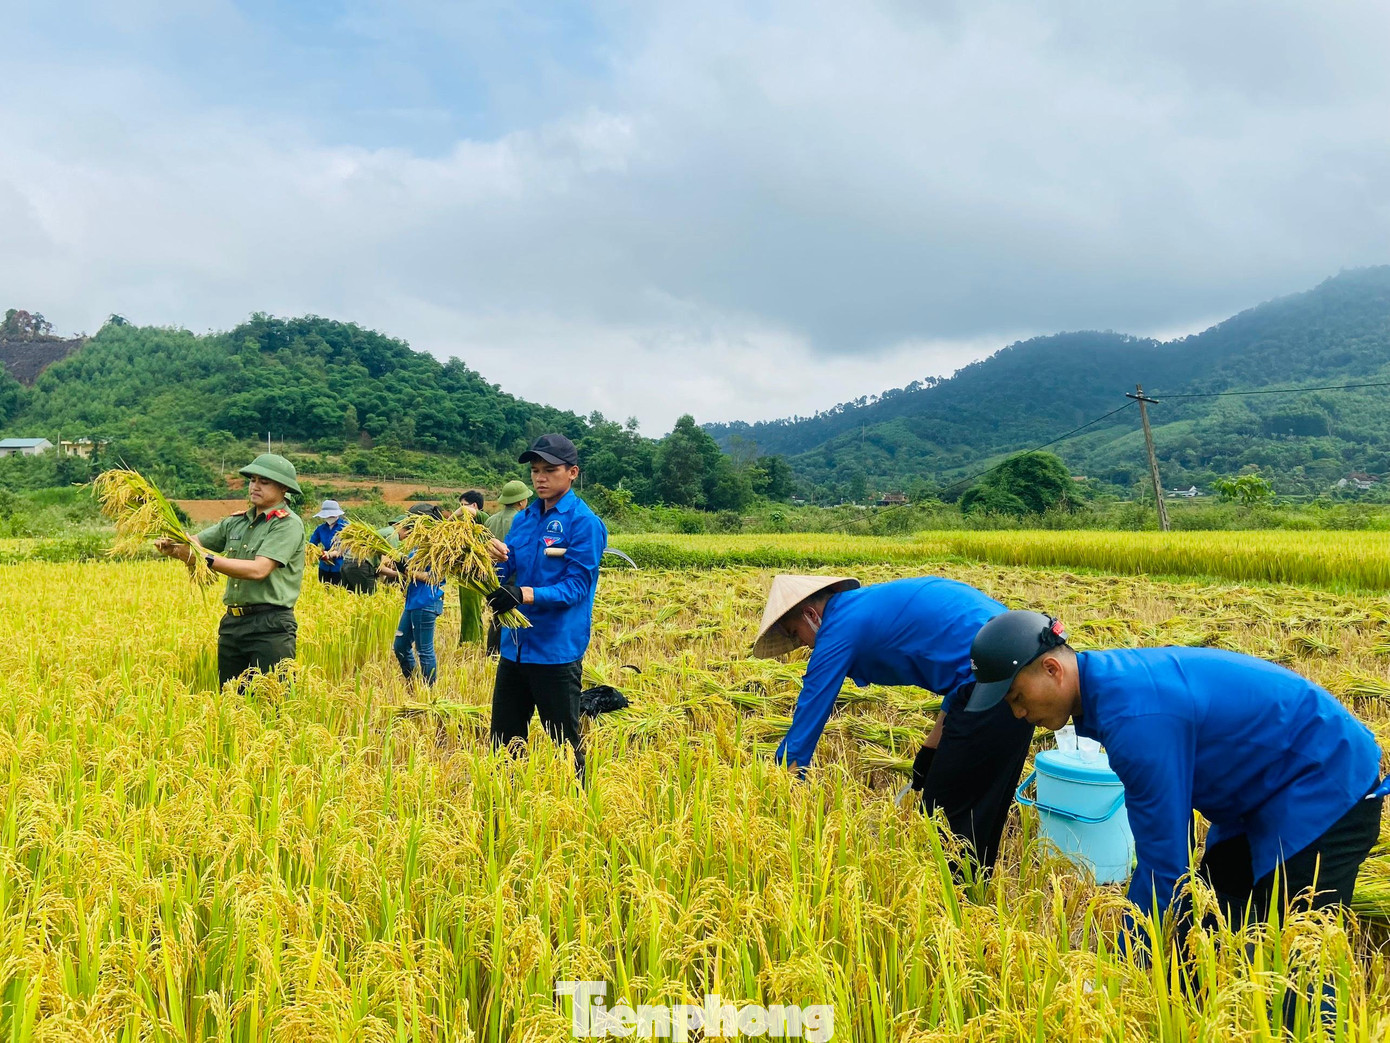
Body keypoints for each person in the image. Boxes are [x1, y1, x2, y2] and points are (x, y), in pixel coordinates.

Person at [969, 610, 1388, 946]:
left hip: (1326, 782)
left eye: (1018, 697)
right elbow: (1173, 851)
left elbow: (1163, 860)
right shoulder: (1109, 686)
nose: (1018, 714)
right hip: (1257, 791)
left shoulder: (1135, 718)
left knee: (1295, 952)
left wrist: (1121, 960)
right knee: (1207, 919)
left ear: (1051, 669)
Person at [752, 574, 1030, 870]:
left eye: (796, 634)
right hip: (1018, 678)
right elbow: (960, 680)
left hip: (999, 685)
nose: (803, 645)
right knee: (979, 812)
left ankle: (951, 903)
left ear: (810, 615)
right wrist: (930, 750)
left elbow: (808, 718)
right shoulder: (861, 607)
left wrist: (779, 789)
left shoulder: (839, 627)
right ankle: (967, 899)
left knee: (946, 817)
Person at [486, 434, 606, 776]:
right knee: (504, 741)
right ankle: (505, 805)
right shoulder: (524, 519)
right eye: (535, 470)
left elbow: (576, 587)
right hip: (515, 649)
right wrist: (487, 558)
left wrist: (523, 594)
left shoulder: (584, 523)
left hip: (555, 651)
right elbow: (507, 568)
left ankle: (579, 807)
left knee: (564, 743)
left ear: (572, 472)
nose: (539, 477)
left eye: (549, 470)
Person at [156, 453, 306, 688]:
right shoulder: (235, 522)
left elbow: (259, 569)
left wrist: (207, 559)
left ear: (284, 488)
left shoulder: (287, 524)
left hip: (270, 625)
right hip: (233, 624)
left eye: (264, 482)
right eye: (253, 480)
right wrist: (173, 547)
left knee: (271, 702)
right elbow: (194, 544)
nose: (255, 486)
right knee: (231, 701)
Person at [378, 504, 446, 686]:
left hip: (427, 601)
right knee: (400, 646)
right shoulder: (418, 545)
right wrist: (398, 563)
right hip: (413, 601)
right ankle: (414, 682)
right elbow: (411, 567)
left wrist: (408, 571)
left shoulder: (438, 546)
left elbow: (435, 578)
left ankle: (429, 690)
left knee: (424, 650)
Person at [483, 480, 530, 653]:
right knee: (514, 611)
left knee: (497, 612)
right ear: (520, 501)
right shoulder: (523, 520)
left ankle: (492, 651)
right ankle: (511, 650)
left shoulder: (490, 520)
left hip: (494, 574)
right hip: (515, 574)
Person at [453, 491, 488, 647]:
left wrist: (448, 522)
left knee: (470, 610)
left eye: (463, 504)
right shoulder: (468, 526)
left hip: (473, 572)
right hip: (466, 570)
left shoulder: (483, 518)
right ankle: (475, 640)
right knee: (470, 609)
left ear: (474, 506)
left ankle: (470, 643)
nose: (460, 508)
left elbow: (464, 511)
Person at [308, 499, 349, 585]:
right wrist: (318, 553)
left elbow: (348, 547)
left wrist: (331, 554)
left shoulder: (346, 528)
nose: (329, 517)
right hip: (324, 567)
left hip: (340, 567)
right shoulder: (321, 529)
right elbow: (312, 544)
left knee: (339, 593)